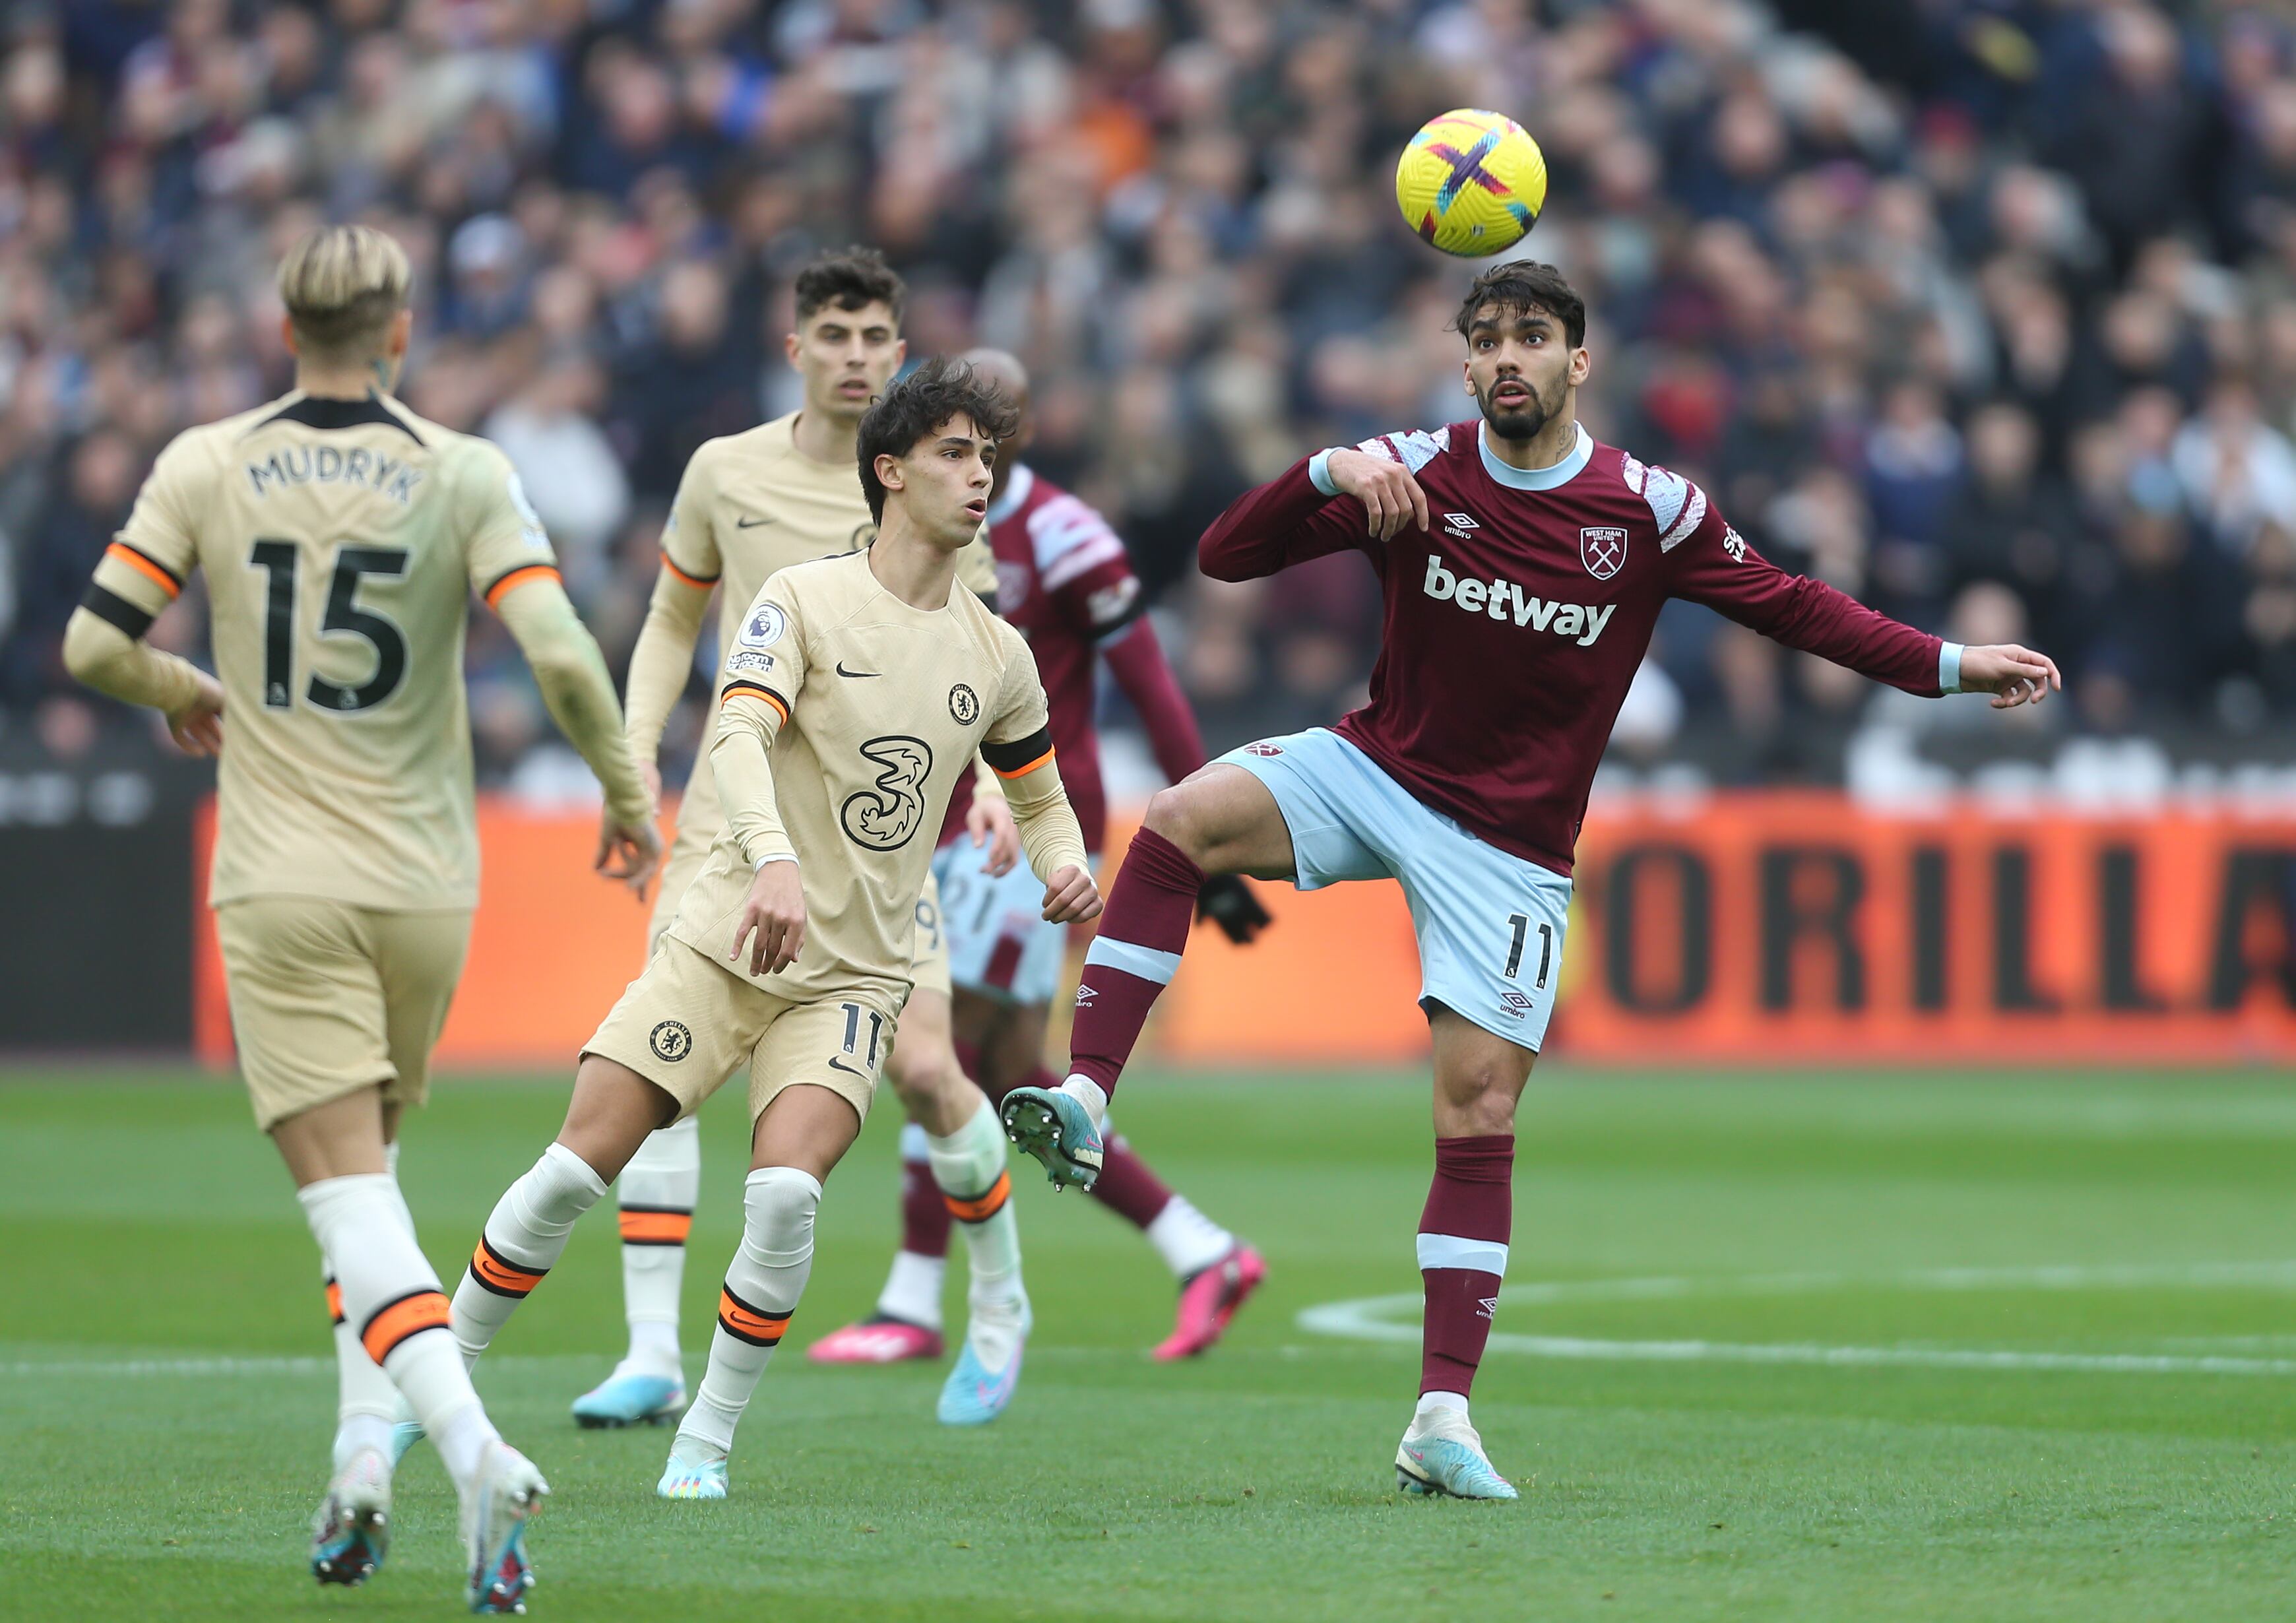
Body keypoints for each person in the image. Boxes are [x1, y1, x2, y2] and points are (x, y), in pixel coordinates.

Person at [1003, 261, 2062, 1500]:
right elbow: (1226, 559)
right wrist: (1325, 473)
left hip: (1508, 849)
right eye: (1489, 339)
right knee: (1178, 821)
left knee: (1478, 1114)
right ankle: (1086, 1095)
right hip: (1376, 767)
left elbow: (1791, 607)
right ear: (1466, 365)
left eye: (1535, 337)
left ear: (1580, 362)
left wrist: (1948, 664)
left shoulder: (1650, 510)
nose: (1509, 358)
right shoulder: (1416, 470)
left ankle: (1440, 1418)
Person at [61, 224, 660, 1610]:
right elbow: (562, 652)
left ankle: (469, 1452)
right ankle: (358, 1471)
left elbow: (95, 640)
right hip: (425, 888)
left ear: (288, 332)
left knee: (343, 1201)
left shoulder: (207, 462)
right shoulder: (463, 472)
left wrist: (184, 692)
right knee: (368, 1201)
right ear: (401, 332)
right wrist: (627, 794)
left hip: (284, 881)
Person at [447, 358, 1102, 1503]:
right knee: (570, 1170)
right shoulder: (800, 597)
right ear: (890, 472)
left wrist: (1065, 866)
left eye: (988, 457)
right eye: (956, 453)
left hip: (857, 975)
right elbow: (738, 738)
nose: (980, 476)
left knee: (789, 1193)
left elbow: (1037, 793)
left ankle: (705, 1439)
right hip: (726, 941)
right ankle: (438, 1388)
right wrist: (777, 863)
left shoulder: (999, 652)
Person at [577, 247, 1036, 1432]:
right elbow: (672, 620)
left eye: (875, 337)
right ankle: (648, 1354)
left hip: (878, 849)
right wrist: (636, 755)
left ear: (897, 352)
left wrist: (989, 784)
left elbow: (969, 652)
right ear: (797, 348)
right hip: (740, 823)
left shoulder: (938, 481)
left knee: (931, 1071)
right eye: (832, 334)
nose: (854, 356)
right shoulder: (722, 473)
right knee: (659, 1065)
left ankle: (1000, 1302)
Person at [811, 348, 1271, 1367]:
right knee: (1015, 1070)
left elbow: (1146, 678)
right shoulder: (920, 533)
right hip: (946, 822)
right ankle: (1205, 1251)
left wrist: (1211, 836)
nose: (977, 437)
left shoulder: (1062, 534)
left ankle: (913, 1301)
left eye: (992, 421)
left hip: (1027, 824)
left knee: (936, 1052)